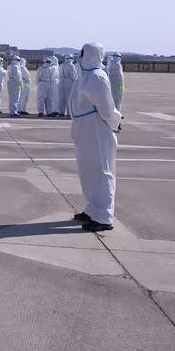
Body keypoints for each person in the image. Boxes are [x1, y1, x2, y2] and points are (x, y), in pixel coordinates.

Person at [70, 42, 124, 232]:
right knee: (88, 170)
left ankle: (103, 215)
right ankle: (93, 208)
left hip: (97, 128)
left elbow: (107, 109)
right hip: (86, 128)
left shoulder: (97, 77)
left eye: (83, 53)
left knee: (101, 170)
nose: (80, 57)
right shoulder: (85, 76)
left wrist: (116, 121)